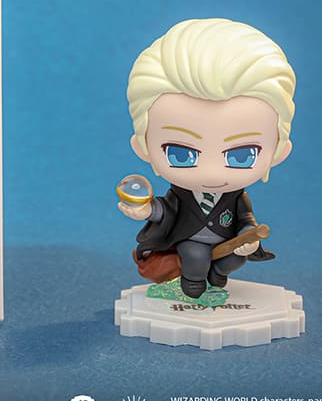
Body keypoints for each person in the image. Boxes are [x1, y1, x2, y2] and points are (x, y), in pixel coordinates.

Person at [121, 18, 296, 298]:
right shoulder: (182, 195)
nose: (212, 173)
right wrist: (146, 211)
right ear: (143, 147)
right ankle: (193, 288)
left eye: (241, 155)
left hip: (228, 241)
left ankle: (218, 276)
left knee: (235, 259)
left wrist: (248, 240)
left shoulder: (237, 197)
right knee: (195, 256)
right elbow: (167, 210)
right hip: (189, 239)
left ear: (278, 151)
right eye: (181, 154)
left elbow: (246, 218)